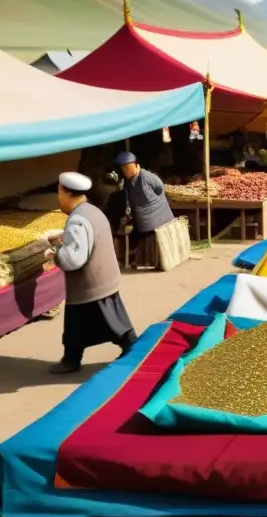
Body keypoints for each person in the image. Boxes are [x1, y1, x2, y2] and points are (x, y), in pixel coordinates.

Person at [45, 172, 136, 374]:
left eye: (59, 191)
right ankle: (72, 357)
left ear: (67, 193)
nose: (58, 196)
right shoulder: (92, 211)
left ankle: (131, 347)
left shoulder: (77, 220)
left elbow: (74, 260)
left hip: (91, 284)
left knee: (103, 322)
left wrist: (56, 253)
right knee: (91, 323)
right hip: (106, 278)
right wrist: (64, 242)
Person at [116, 150, 174, 247]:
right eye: (122, 168)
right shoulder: (128, 183)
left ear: (132, 165)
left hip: (159, 221)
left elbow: (159, 188)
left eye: (126, 167)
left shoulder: (146, 176)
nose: (124, 171)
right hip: (144, 223)